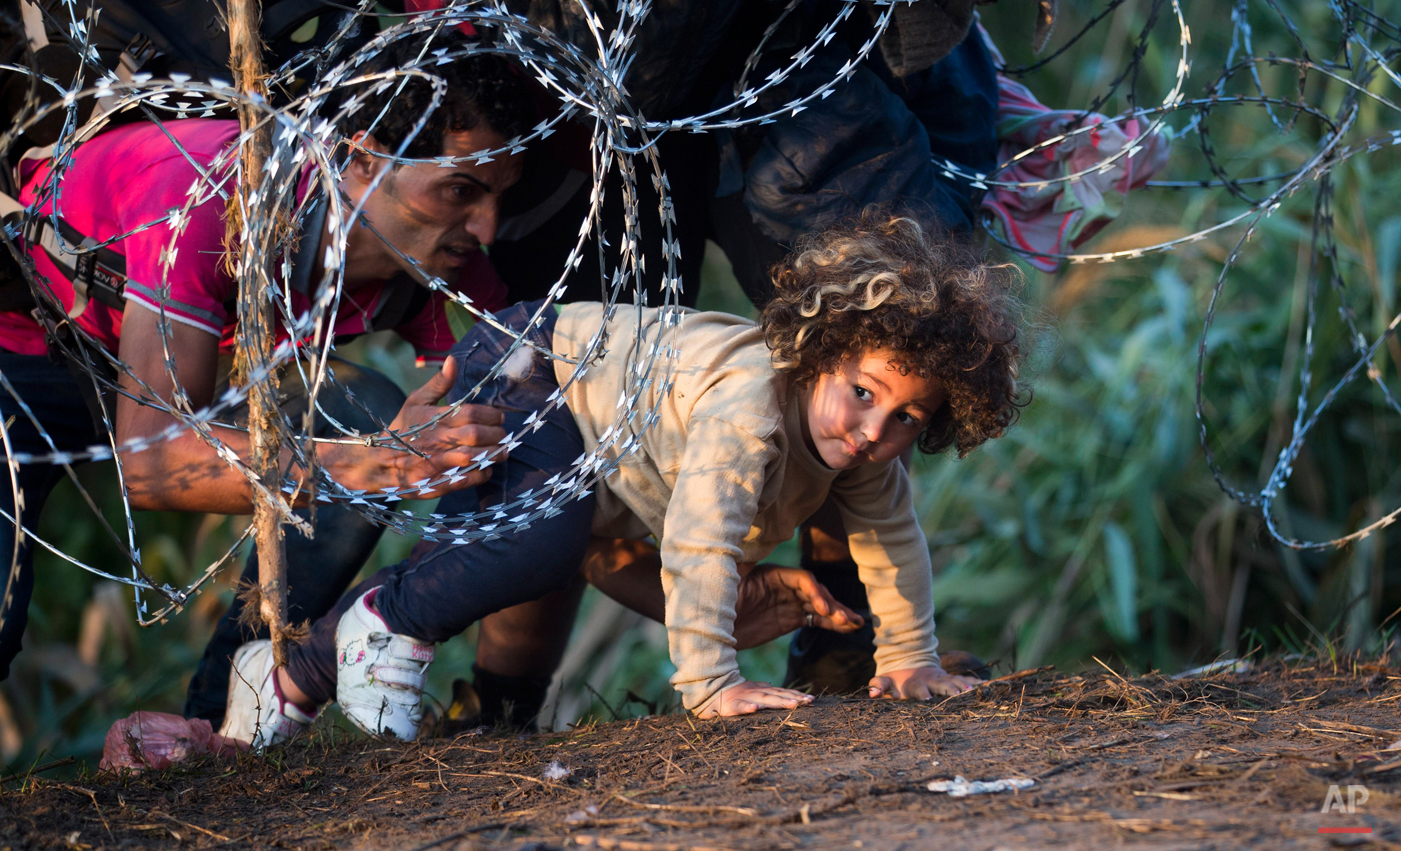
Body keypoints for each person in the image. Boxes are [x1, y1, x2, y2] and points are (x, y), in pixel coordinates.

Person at [218, 210, 1025, 746]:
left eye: (906, 419)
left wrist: (911, 656)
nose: (872, 431)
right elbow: (700, 538)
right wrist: (710, 683)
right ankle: (383, 619)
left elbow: (893, 542)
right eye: (862, 393)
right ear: (822, 349)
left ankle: (289, 676)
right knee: (535, 544)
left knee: (534, 543)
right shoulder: (751, 404)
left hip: (590, 436)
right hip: (534, 368)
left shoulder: (857, 450)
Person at [0, 46, 534, 710]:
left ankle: (232, 717)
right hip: (21, 346)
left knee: (359, 408)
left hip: (185, 357)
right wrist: (385, 465)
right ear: (364, 157)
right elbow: (156, 463)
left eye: (498, 196)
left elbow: (506, 443)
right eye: (459, 190)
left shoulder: (443, 259)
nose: (485, 227)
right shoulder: (211, 194)